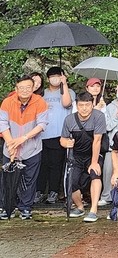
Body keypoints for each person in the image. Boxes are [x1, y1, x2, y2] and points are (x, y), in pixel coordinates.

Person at [0, 75, 49, 220]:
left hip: (32, 148)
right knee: (7, 179)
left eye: (28, 87)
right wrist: (11, 143)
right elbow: (2, 123)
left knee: (29, 179)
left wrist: (23, 138)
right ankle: (6, 206)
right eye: (21, 87)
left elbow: (42, 124)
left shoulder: (40, 102)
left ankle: (25, 207)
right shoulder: (7, 102)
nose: (25, 90)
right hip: (10, 148)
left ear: (33, 88)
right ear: (16, 89)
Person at [60, 92, 107, 223]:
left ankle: (93, 210)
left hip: (94, 153)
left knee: (95, 175)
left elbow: (97, 140)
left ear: (92, 105)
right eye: (81, 105)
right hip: (76, 155)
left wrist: (94, 162)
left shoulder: (99, 116)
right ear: (77, 105)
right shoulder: (69, 119)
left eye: (87, 105)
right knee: (71, 181)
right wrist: (66, 143)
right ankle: (80, 207)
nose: (84, 108)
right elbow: (62, 139)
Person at [35, 67, 74, 206]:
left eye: (58, 76)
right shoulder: (42, 94)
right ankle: (39, 191)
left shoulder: (68, 92)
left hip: (59, 134)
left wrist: (64, 84)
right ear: (48, 79)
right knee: (42, 164)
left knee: (56, 165)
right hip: (41, 134)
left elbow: (67, 103)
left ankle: (53, 191)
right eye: (52, 76)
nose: (55, 78)